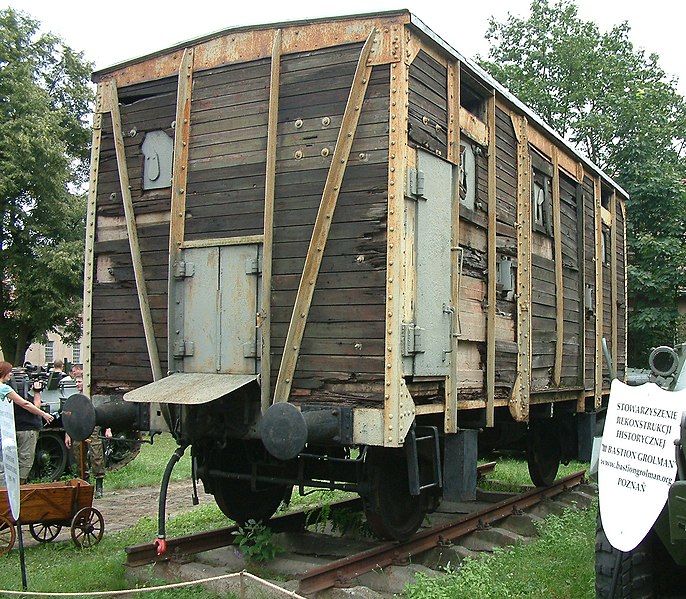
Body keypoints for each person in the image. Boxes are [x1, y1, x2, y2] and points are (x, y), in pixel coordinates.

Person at [0, 361, 54, 484]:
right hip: (24, 428)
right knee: (25, 460)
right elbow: (26, 404)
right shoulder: (4, 389)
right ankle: (19, 489)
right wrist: (37, 394)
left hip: (7, 428)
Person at [64, 372, 110, 498]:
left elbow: (105, 415)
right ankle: (85, 484)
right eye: (76, 381)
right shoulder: (75, 399)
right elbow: (69, 417)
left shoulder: (93, 398)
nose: (77, 384)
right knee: (79, 456)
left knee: (96, 455)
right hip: (78, 429)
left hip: (93, 428)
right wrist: (68, 434)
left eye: (79, 381)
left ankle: (99, 485)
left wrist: (108, 429)